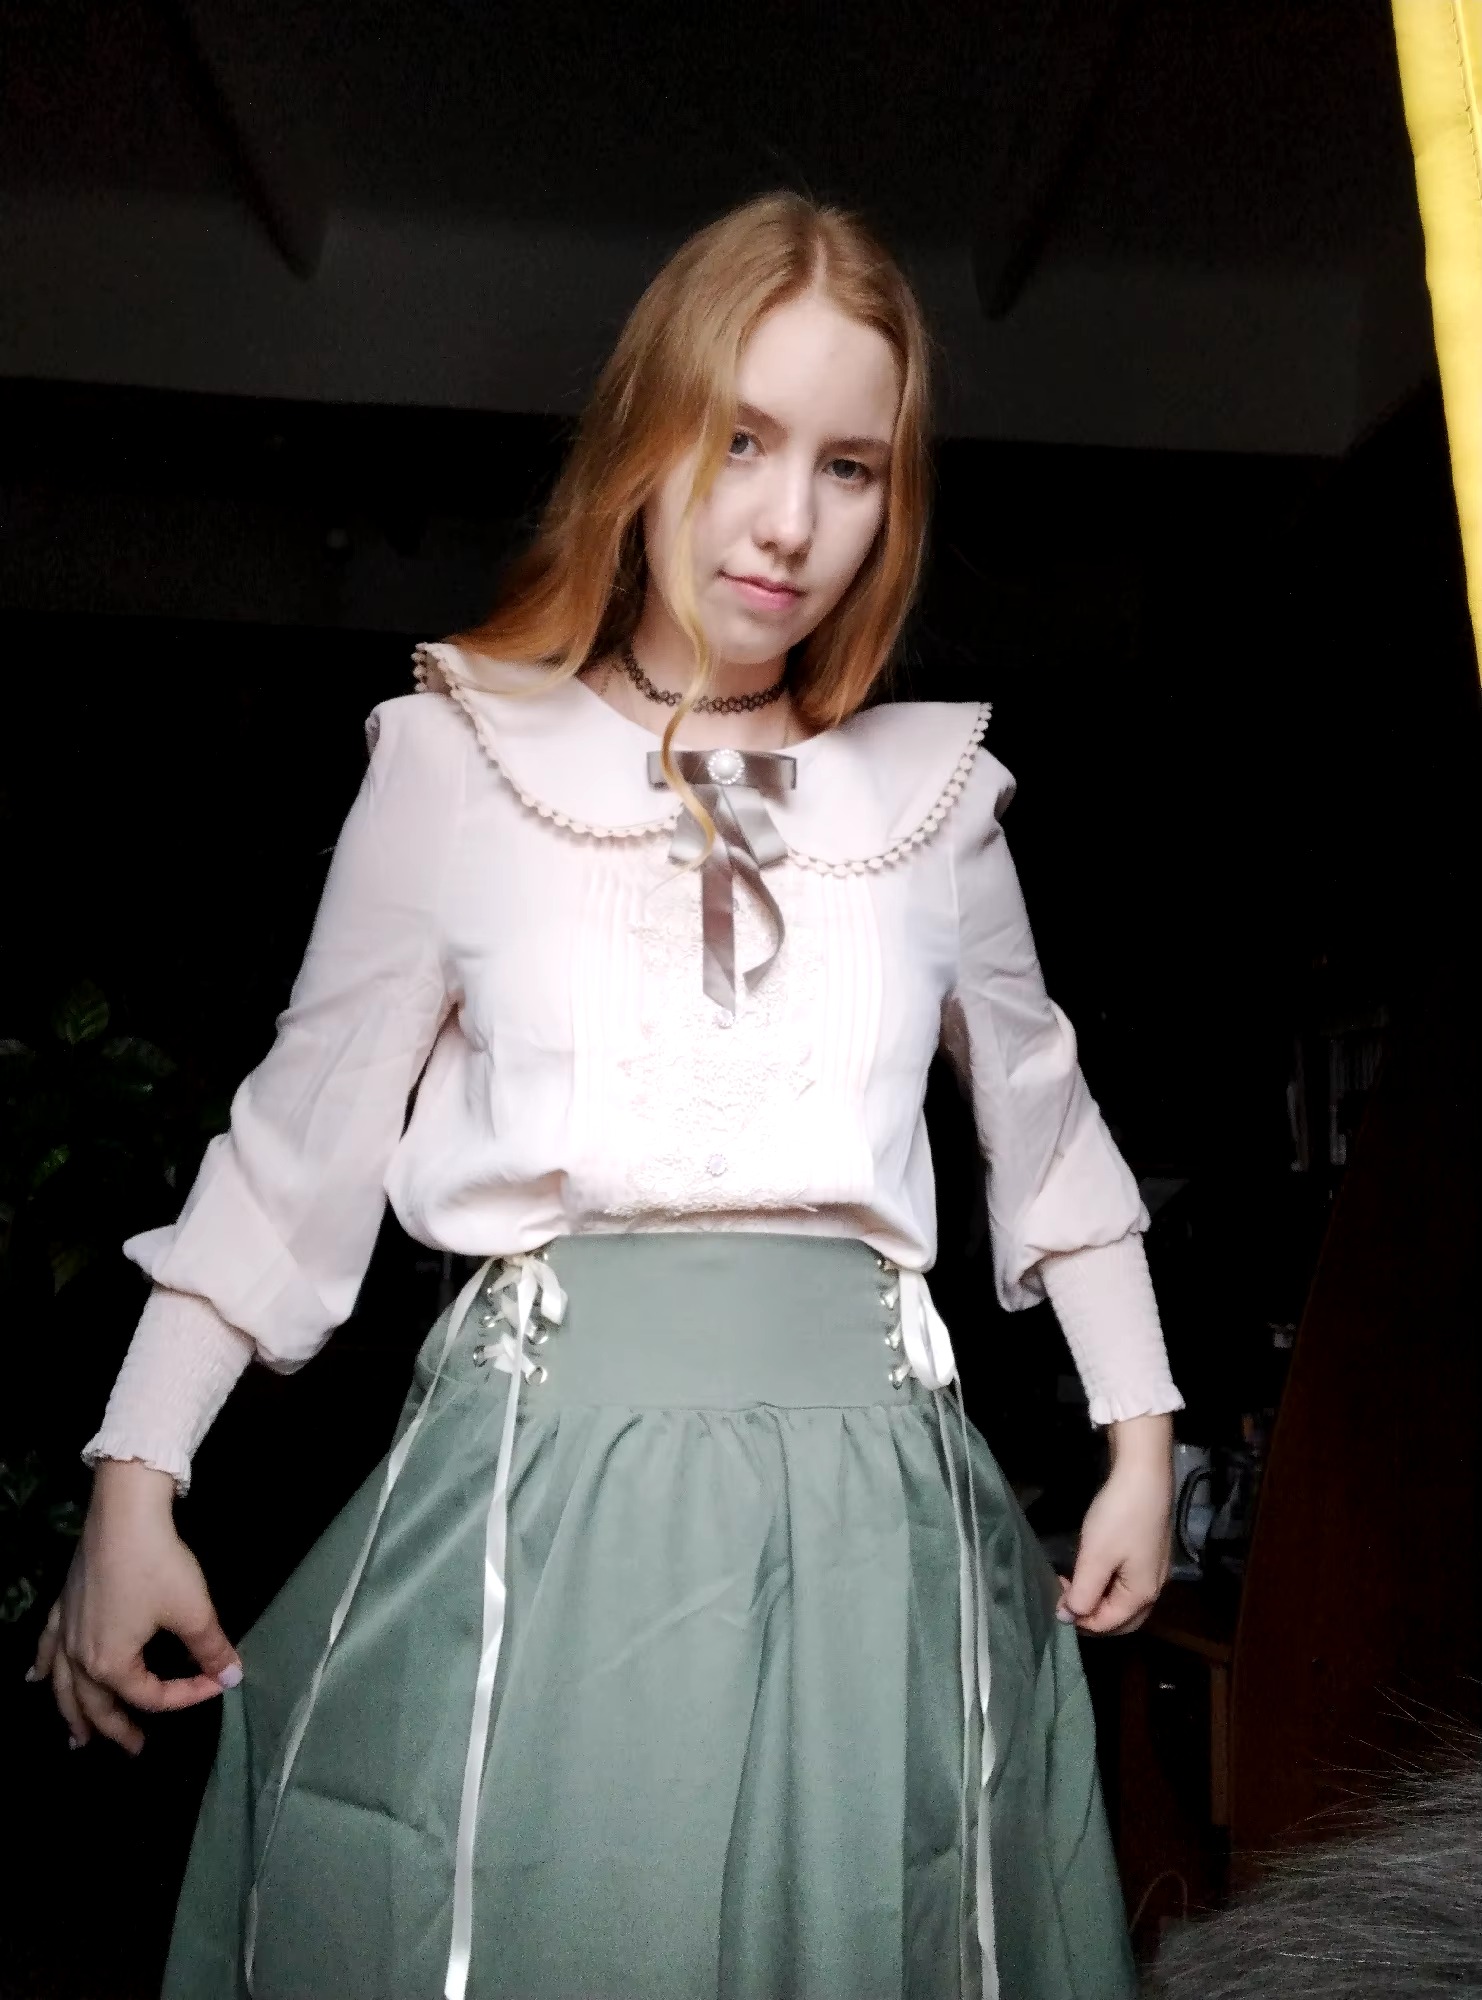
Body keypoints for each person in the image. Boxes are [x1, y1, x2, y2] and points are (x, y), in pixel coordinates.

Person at [29, 191, 1182, 2000]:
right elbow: (297, 1143)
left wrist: (1140, 1438)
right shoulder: (461, 757)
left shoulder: (935, 804)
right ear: (645, 435)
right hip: (548, 1513)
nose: (787, 521)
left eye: (850, 467)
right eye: (740, 441)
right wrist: (133, 1470)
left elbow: (1047, 1133)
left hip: (872, 1526)